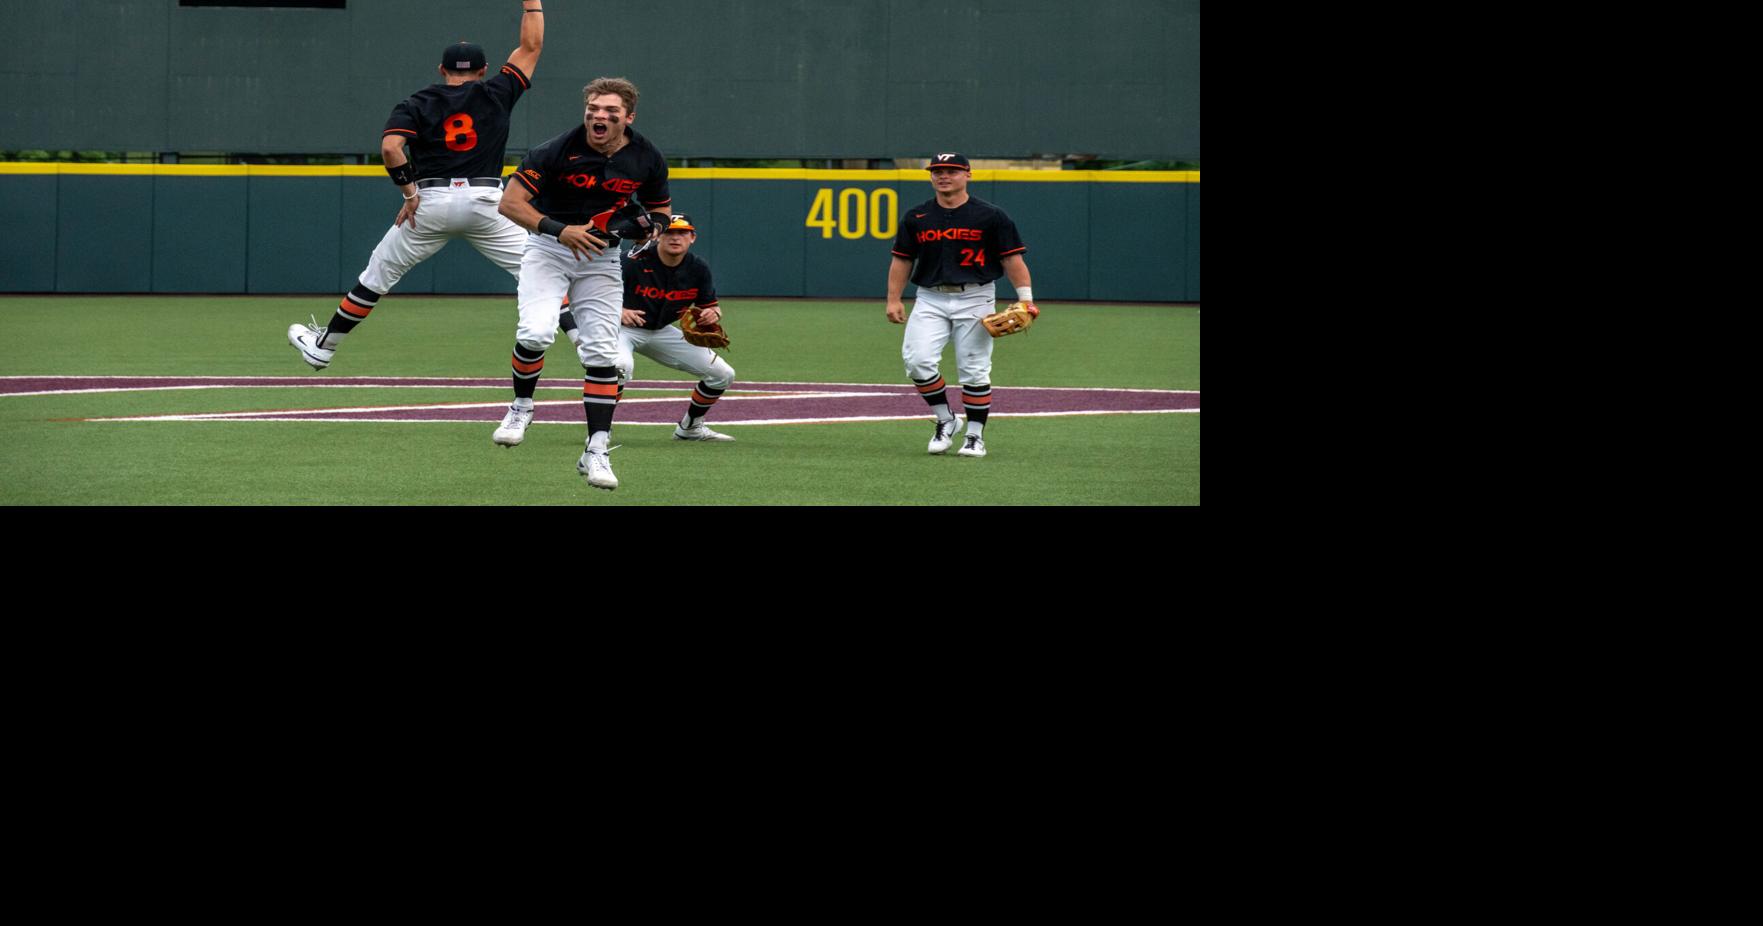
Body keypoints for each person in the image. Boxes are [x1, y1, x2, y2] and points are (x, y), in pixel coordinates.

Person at [288, 3, 544, 371]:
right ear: (484, 70)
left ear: (441, 70)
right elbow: (531, 46)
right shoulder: (496, 92)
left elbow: (391, 147)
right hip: (488, 201)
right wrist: (531, 3)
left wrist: (410, 194)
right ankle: (595, 349)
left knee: (376, 277)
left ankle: (324, 347)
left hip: (431, 202)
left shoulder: (418, 102)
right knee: (539, 272)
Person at [495, 77, 673, 491]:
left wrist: (650, 226)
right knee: (537, 332)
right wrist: (561, 231)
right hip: (548, 249)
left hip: (602, 258)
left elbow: (661, 209)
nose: (599, 116)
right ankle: (521, 406)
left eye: (610, 111)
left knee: (602, 354)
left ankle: (596, 449)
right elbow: (509, 203)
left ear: (628, 117)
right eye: (593, 108)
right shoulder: (555, 150)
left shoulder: (646, 156)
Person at [885, 152, 1038, 458]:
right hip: (930, 297)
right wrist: (893, 298)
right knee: (917, 361)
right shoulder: (916, 217)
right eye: (937, 171)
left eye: (952, 171)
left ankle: (975, 436)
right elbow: (902, 258)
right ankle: (946, 420)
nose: (943, 176)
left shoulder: (991, 216)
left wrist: (1026, 300)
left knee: (974, 369)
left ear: (967, 175)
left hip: (976, 296)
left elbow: (1012, 259)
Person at [559, 214, 737, 442]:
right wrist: (619, 311)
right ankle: (600, 431)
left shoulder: (697, 268)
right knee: (620, 367)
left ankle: (690, 428)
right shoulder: (632, 261)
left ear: (692, 237)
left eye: (682, 233)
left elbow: (710, 305)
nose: (675, 238)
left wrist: (712, 314)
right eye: (669, 232)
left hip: (661, 331)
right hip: (620, 328)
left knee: (722, 375)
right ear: (658, 236)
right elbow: (589, 292)